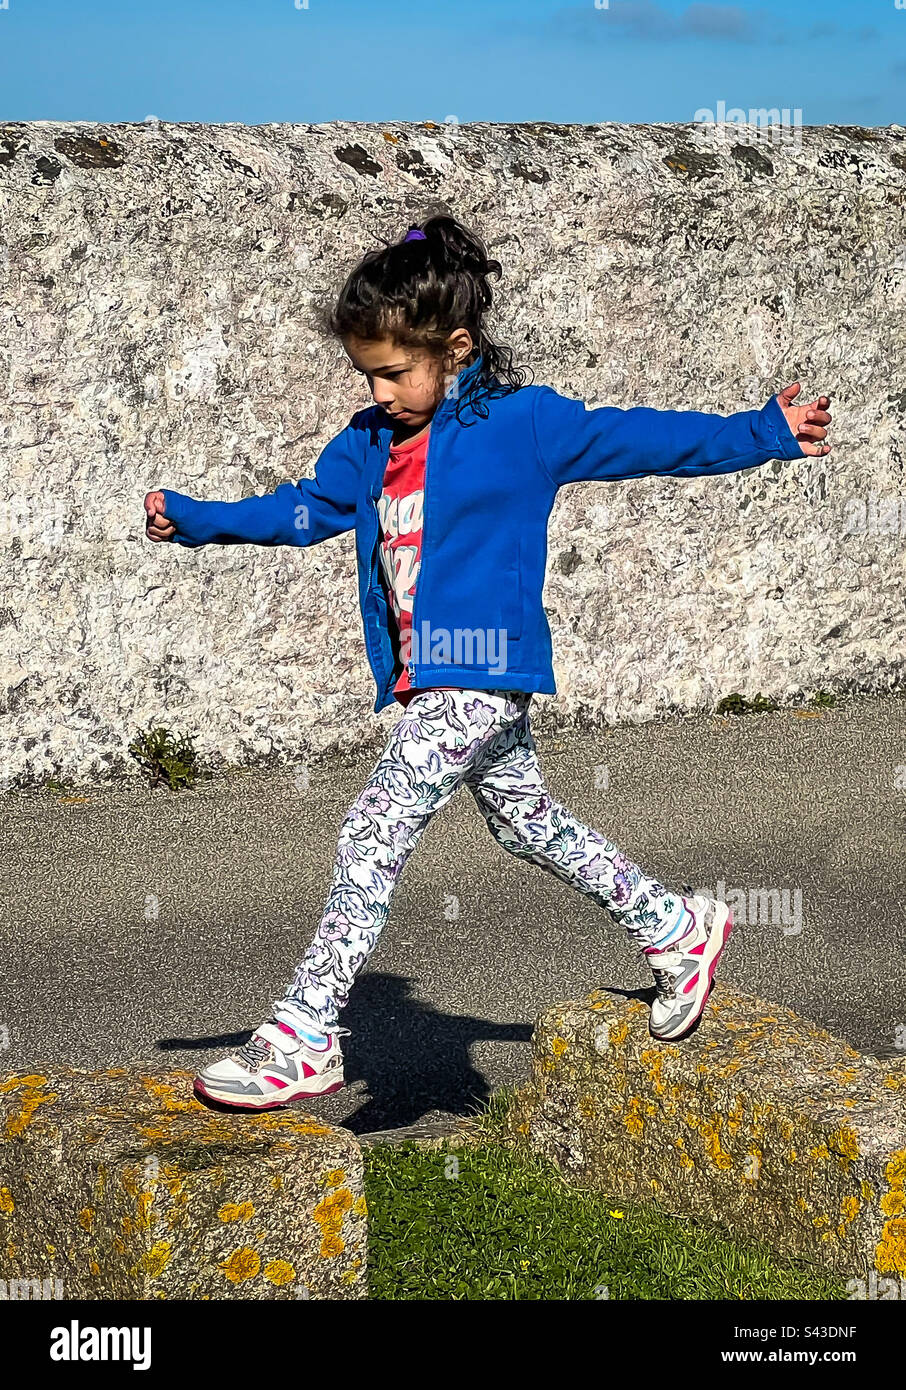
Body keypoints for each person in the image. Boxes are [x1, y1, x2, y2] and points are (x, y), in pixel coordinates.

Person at [144, 214, 833, 1110]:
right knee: (525, 823)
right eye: (368, 374)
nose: (382, 390)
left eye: (395, 372)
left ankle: (304, 1035)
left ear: (456, 348)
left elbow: (648, 440)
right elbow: (308, 511)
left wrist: (764, 431)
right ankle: (674, 927)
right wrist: (199, 518)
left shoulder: (524, 425)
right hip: (430, 677)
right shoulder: (367, 442)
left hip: (481, 668)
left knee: (371, 830)